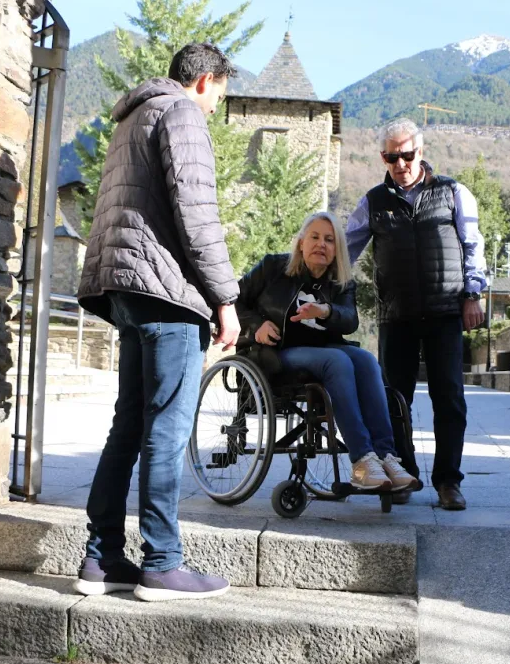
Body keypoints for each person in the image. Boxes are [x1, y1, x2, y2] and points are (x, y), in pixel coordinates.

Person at [73, 43, 241, 602]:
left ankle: (100, 560)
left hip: (124, 287)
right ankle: (163, 563)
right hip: (166, 293)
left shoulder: (132, 117)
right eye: (221, 92)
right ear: (206, 81)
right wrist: (225, 297)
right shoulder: (182, 113)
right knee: (166, 428)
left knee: (128, 424)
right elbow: (198, 214)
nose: (218, 105)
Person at [345, 118, 488, 511]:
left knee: (450, 399)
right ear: (383, 157)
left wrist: (473, 294)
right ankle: (404, 475)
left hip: (445, 311)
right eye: (392, 157)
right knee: (394, 400)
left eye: (407, 155)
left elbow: (473, 244)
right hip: (397, 314)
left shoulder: (453, 191)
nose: (400, 163)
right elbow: (346, 248)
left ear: (420, 152)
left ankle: (448, 482)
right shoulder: (373, 201)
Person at [236, 212, 418, 493]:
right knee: (338, 360)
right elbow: (233, 299)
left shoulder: (341, 283)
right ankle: (361, 461)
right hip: (276, 354)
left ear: (337, 250)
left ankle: (385, 456)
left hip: (322, 353)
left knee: (367, 360)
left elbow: (349, 318)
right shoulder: (273, 267)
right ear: (301, 243)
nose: (322, 244)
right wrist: (256, 325)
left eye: (329, 240)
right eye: (315, 237)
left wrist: (326, 310)